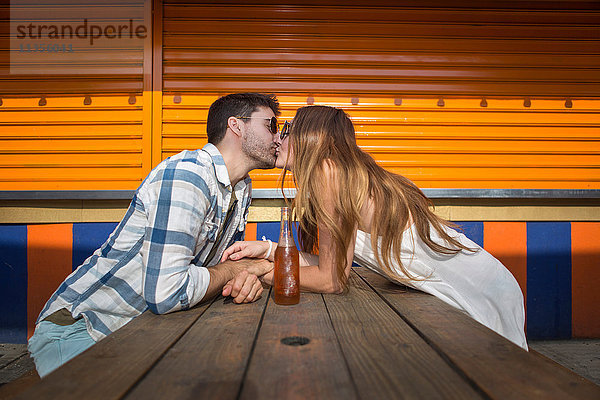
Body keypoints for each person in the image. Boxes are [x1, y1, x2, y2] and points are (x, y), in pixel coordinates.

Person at [221, 105, 528, 350]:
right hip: (470, 280)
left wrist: (265, 273)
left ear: (311, 138)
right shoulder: (337, 174)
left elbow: (331, 280)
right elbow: (333, 265)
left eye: (287, 131)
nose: (278, 139)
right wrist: (270, 251)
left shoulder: (329, 173)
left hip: (475, 284)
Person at [28, 93, 280, 377]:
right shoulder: (188, 176)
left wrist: (243, 277)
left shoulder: (240, 188)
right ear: (237, 125)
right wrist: (238, 269)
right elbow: (168, 293)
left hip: (147, 329)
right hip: (87, 328)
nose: (278, 138)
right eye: (271, 125)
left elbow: (222, 268)